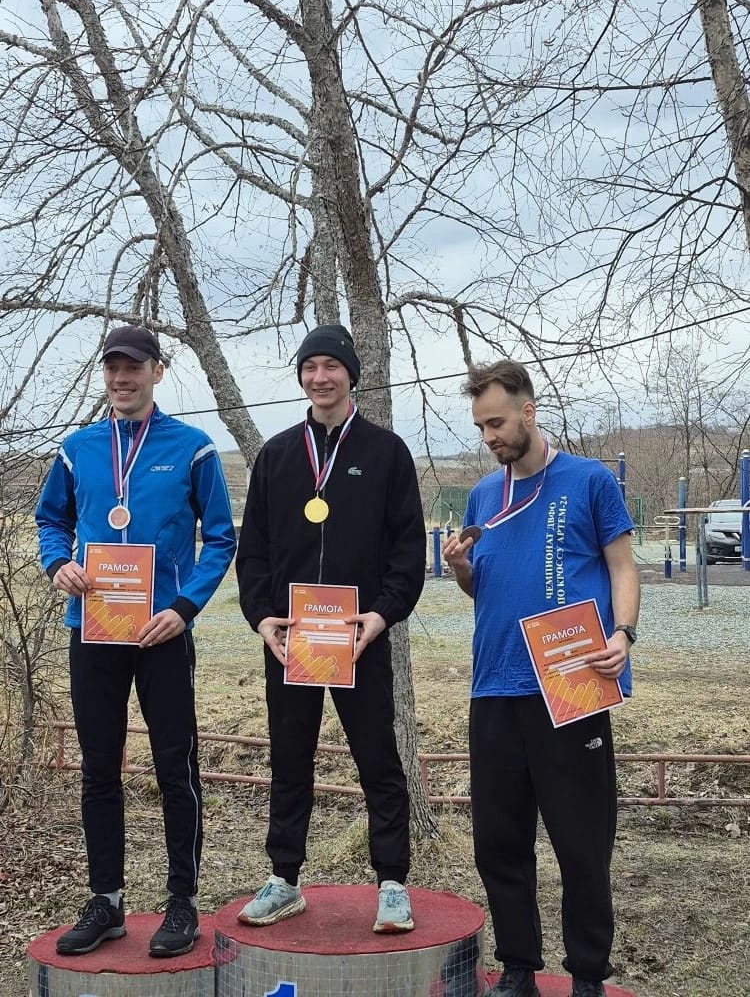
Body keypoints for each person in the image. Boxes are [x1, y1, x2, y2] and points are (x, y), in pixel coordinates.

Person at [36, 325, 236, 958]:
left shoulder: (193, 448)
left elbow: (221, 538)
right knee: (99, 767)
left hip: (161, 634)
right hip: (94, 629)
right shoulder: (77, 449)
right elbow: (51, 519)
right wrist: (57, 564)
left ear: (157, 371)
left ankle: (182, 902)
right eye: (113, 369)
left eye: (134, 368)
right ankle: (107, 901)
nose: (122, 379)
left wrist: (184, 607)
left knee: (176, 767)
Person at [443, 360, 640, 997]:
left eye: (497, 422)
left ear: (528, 411)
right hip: (494, 686)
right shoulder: (482, 495)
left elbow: (623, 568)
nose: (489, 436)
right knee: (499, 841)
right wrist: (461, 568)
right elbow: (484, 588)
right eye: (481, 426)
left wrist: (623, 634)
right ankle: (519, 967)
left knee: (582, 842)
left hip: (570, 683)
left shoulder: (589, 480)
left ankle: (586, 975)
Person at [235, 323, 425, 933]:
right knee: (290, 760)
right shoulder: (276, 455)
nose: (320, 378)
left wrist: (383, 613)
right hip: (290, 640)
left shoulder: (386, 452)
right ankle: (284, 879)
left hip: (359, 638)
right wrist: (261, 617)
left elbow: (408, 550)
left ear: (351, 375)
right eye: (310, 367)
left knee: (379, 761)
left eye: (331, 366)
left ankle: (392, 883)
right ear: (301, 377)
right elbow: (253, 551)